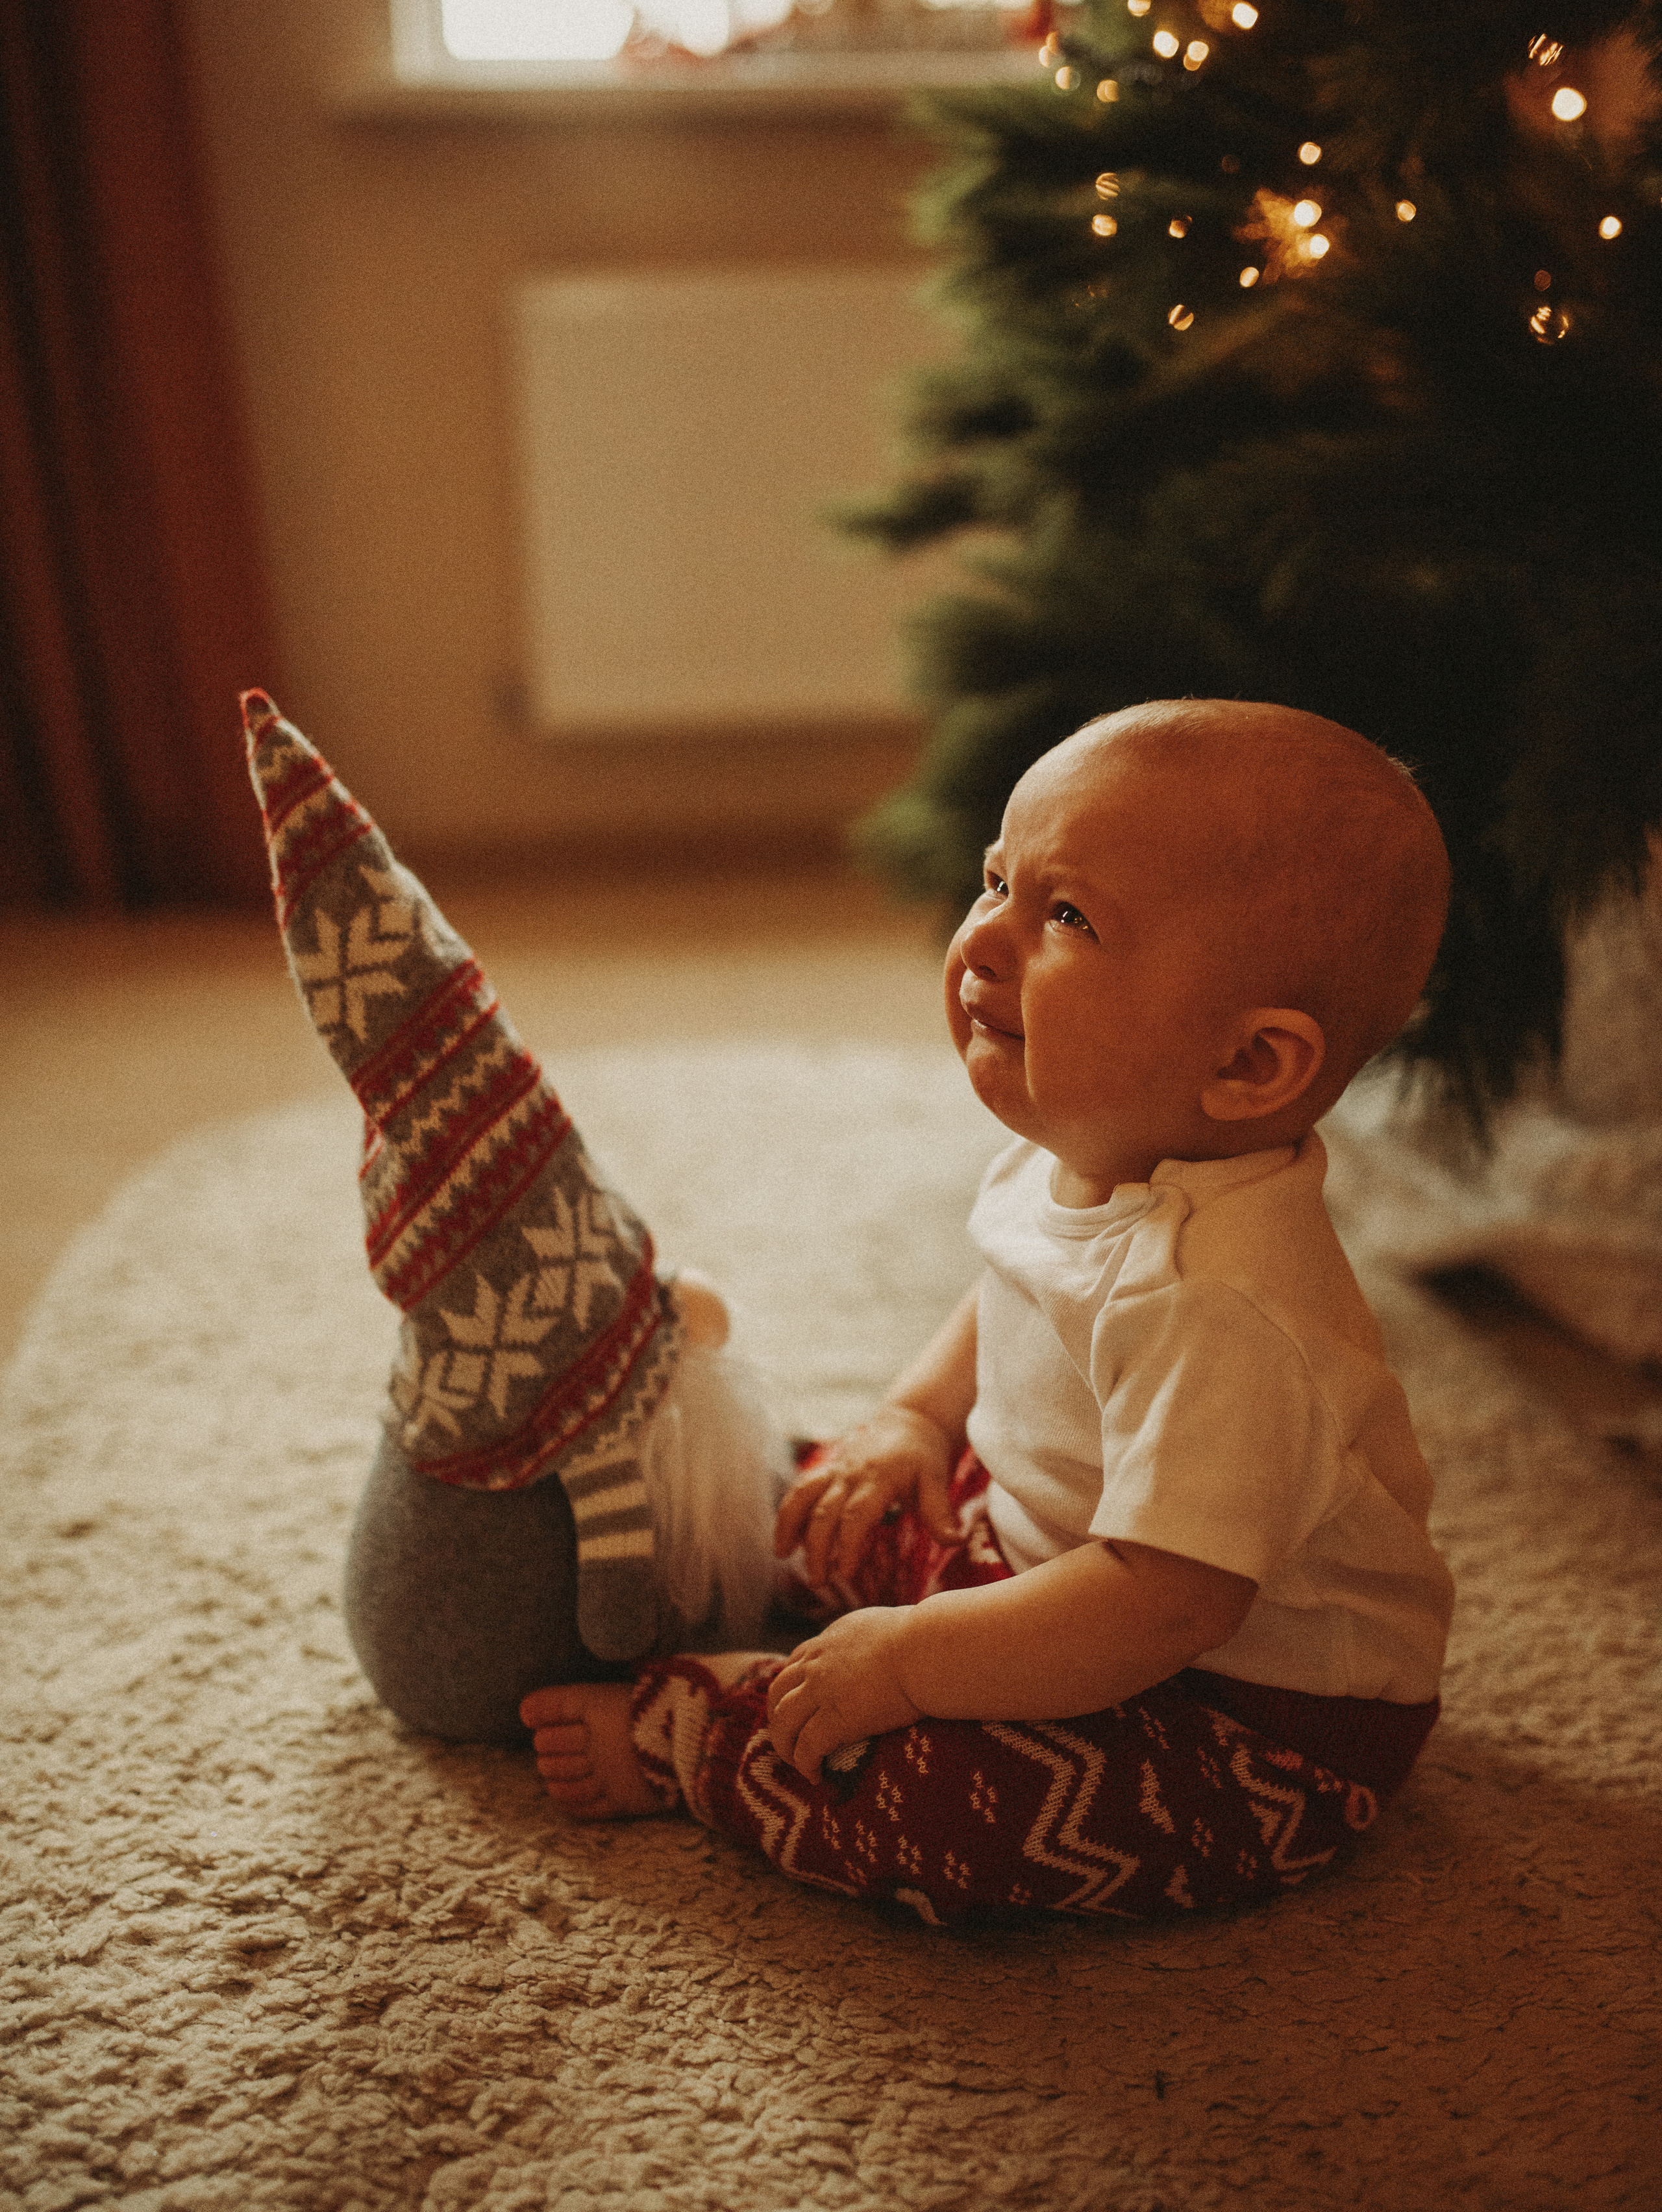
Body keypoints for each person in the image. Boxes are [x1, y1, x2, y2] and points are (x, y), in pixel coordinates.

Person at [520, 698, 1457, 1924]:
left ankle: (696, 1736)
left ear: (1246, 1065)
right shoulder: (1082, 1140)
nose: (982, 943)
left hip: (1229, 1715)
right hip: (1030, 1555)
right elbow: (1011, 1288)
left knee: (938, 1802)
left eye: (1066, 916)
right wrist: (911, 1422)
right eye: (997, 881)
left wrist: (913, 1663)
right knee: (818, 1497)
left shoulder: (1229, 1312)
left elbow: (1163, 1600)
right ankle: (717, 1560)